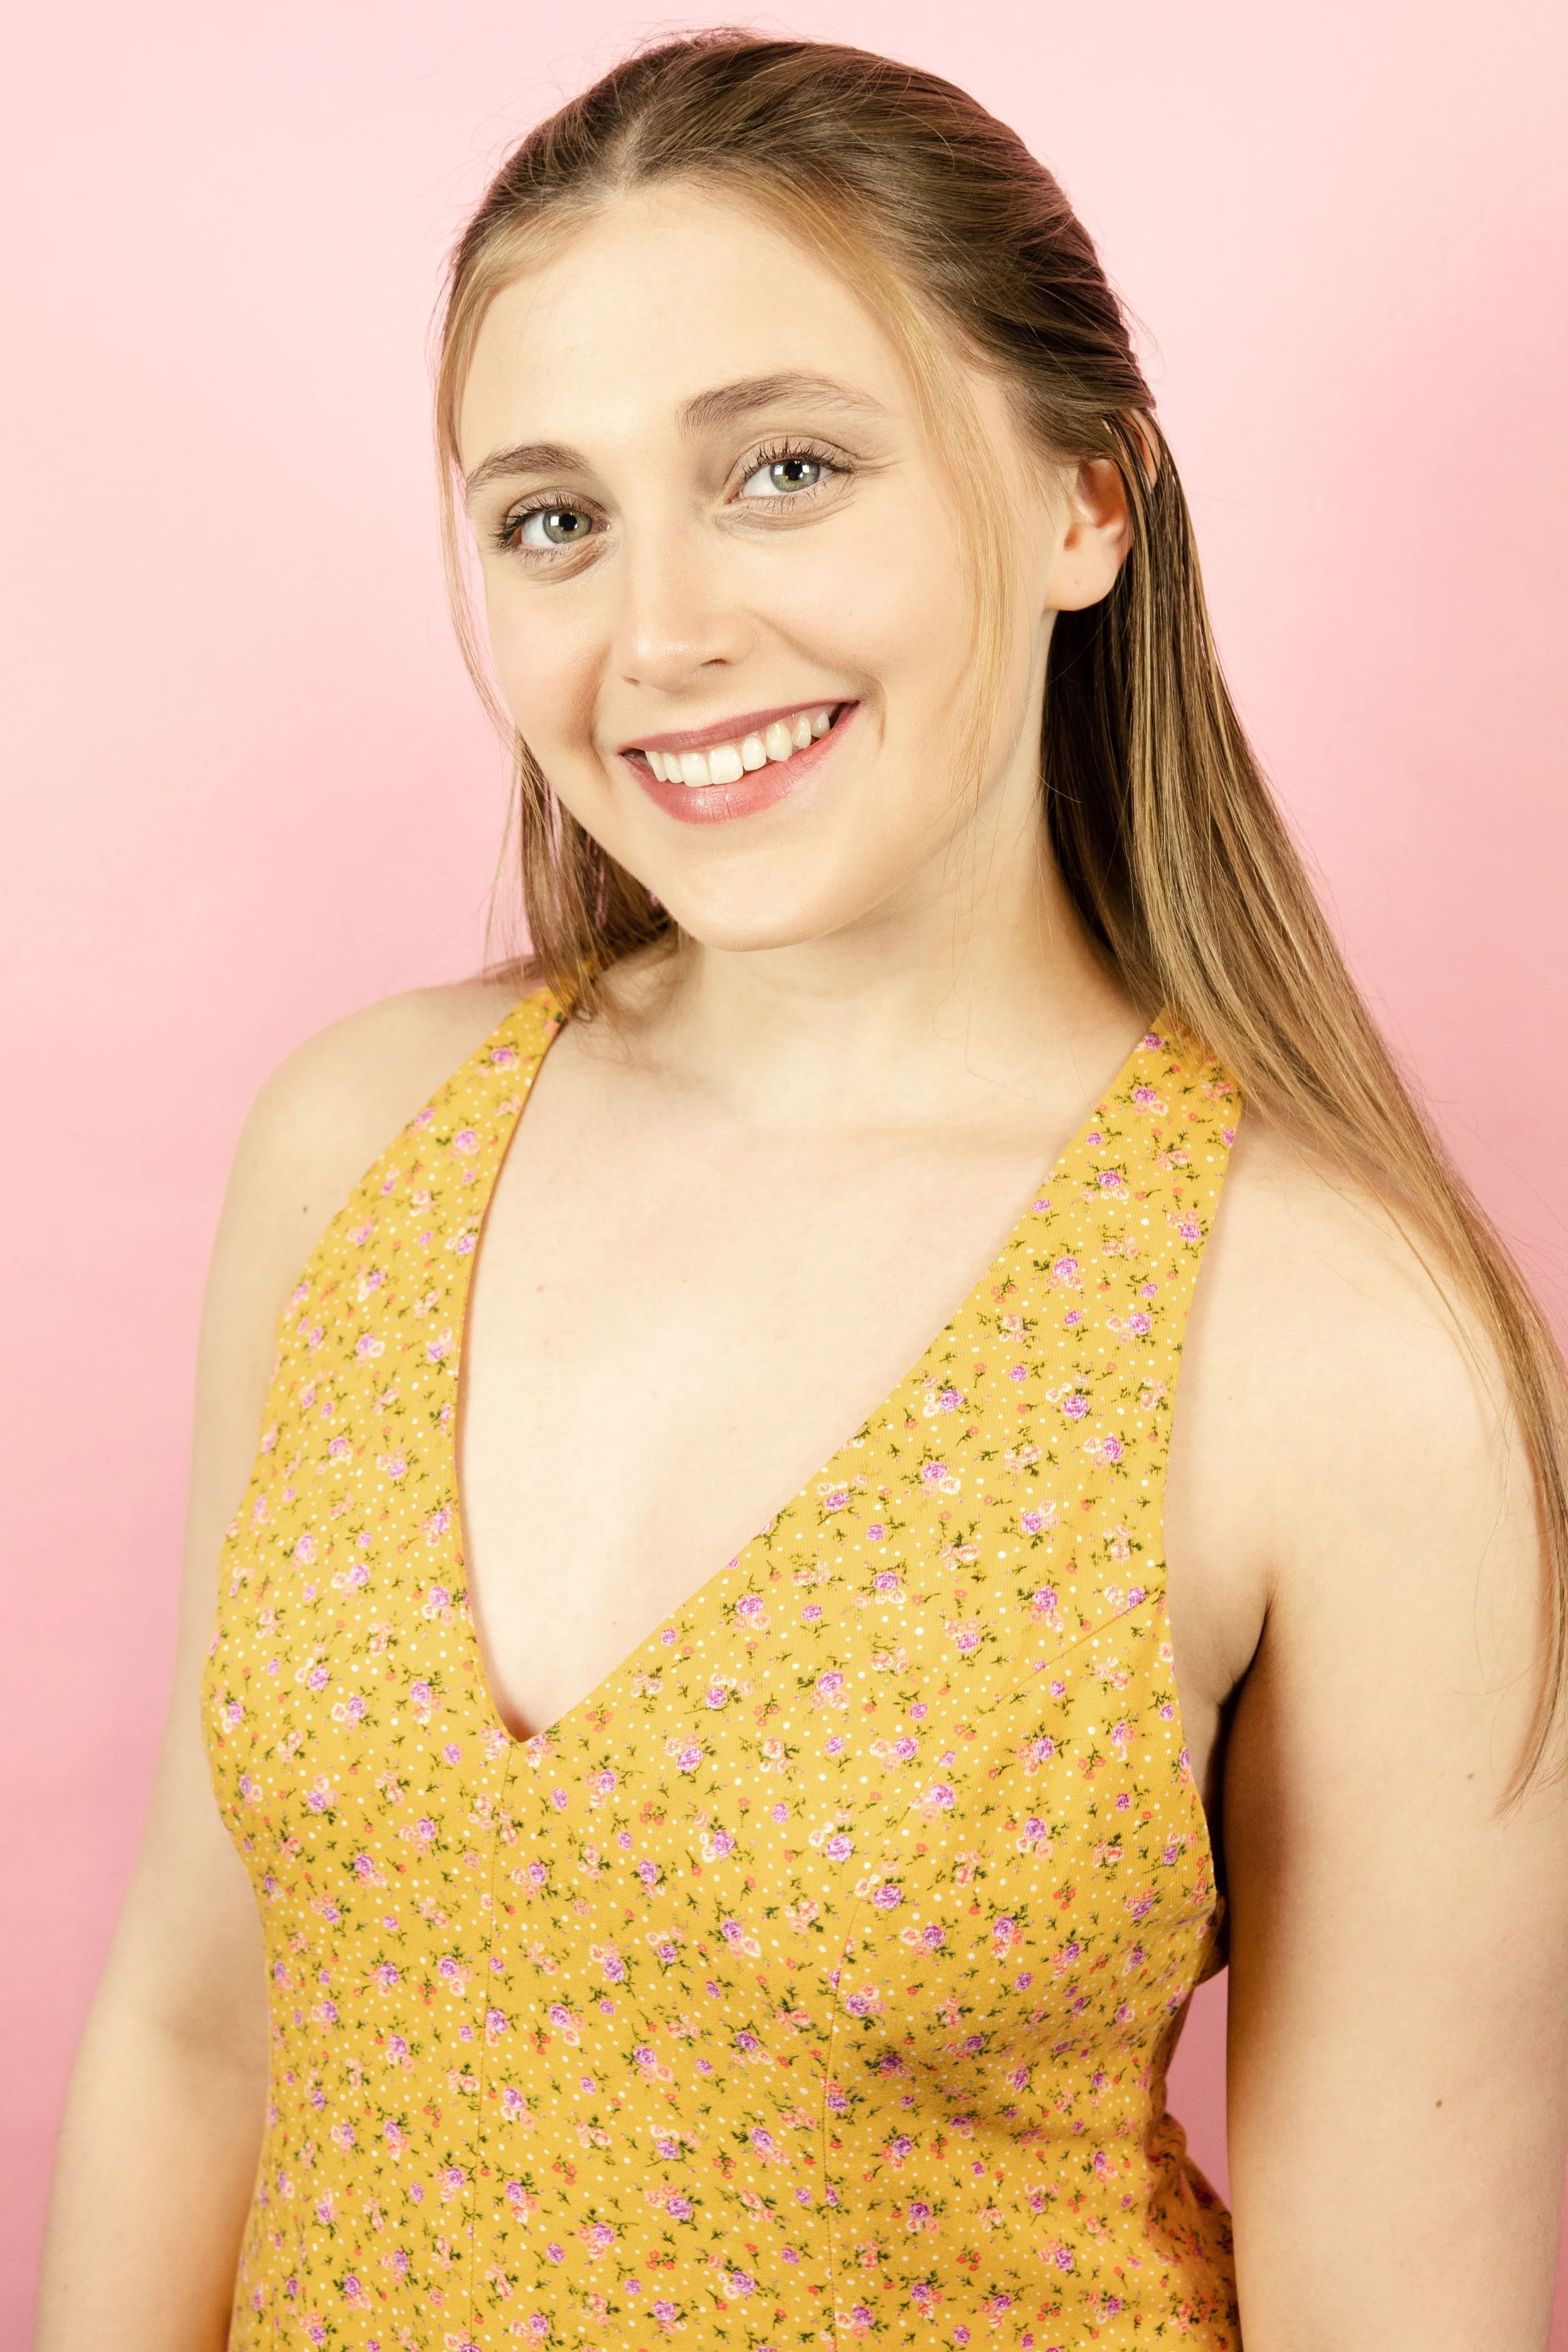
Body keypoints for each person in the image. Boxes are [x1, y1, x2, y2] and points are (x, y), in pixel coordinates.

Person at [35, 32, 1568, 2352]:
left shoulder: (1339, 1344)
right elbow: (199, 2019)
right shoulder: (354, 1142)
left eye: (780, 469)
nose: (657, 636)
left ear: (1085, 501)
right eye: (553, 517)